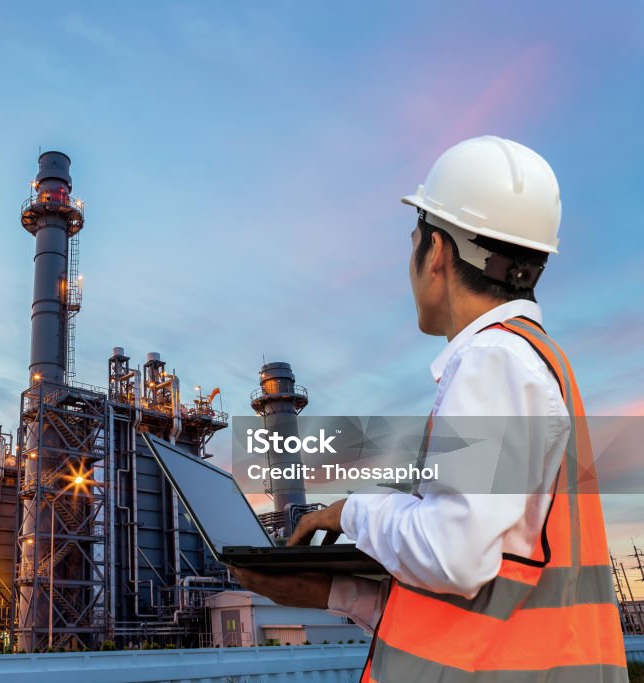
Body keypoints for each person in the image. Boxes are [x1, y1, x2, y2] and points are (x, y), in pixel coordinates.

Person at [233, 136, 627, 682]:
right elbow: (480, 604)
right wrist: (335, 592)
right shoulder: (532, 362)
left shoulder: (494, 360)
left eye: (413, 240)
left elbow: (452, 557)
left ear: (436, 251)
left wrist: (350, 511)